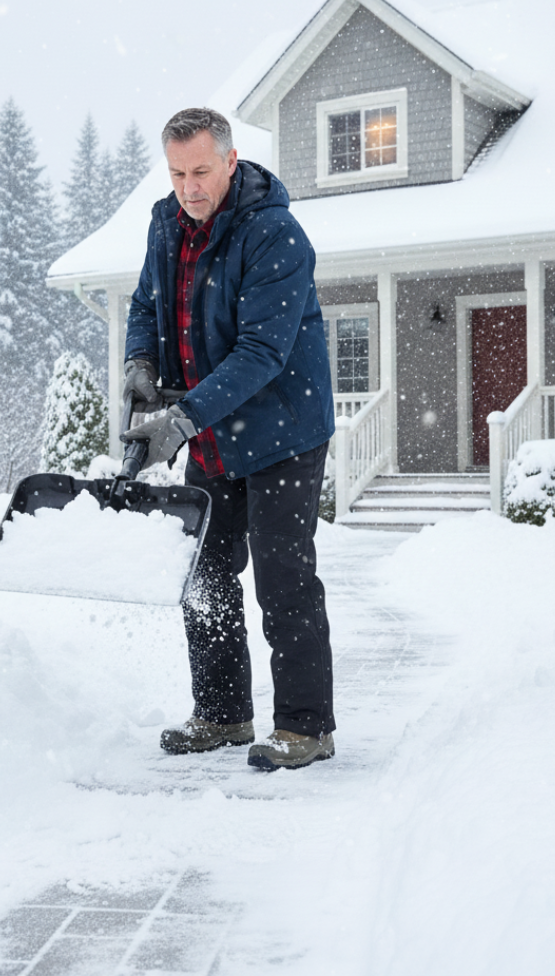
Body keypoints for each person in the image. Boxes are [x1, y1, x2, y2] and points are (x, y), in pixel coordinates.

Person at [121, 107, 337, 771]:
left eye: (201, 171)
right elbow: (146, 306)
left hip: (282, 429)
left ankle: (306, 726)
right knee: (205, 576)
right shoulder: (165, 225)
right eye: (178, 172)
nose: (189, 186)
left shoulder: (275, 233)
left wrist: (182, 420)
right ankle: (222, 713)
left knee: (283, 577)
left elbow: (261, 352)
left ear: (231, 161)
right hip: (214, 428)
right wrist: (140, 363)